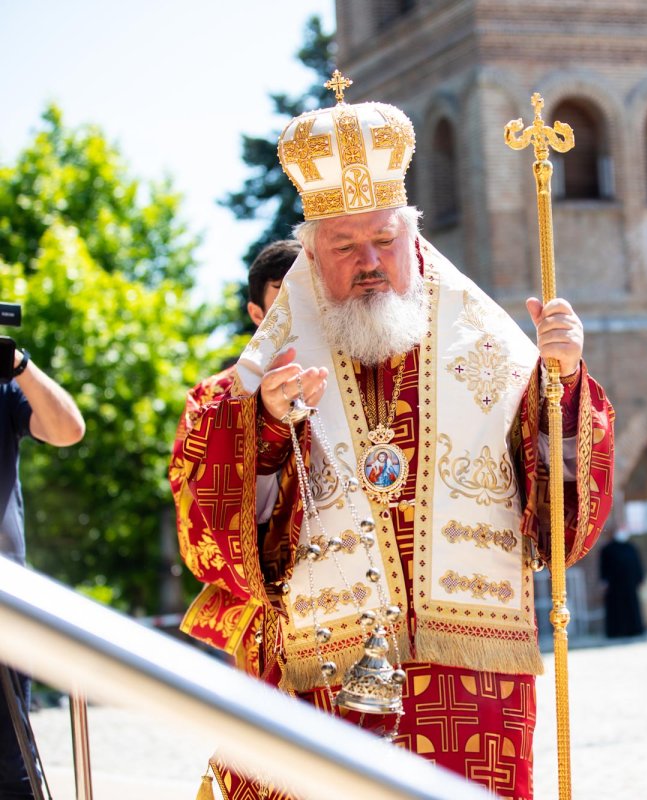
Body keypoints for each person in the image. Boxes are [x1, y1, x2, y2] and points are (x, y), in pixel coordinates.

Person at [171, 80, 615, 800]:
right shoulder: (254, 385)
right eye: (344, 246)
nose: (369, 261)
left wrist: (560, 385)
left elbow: (562, 529)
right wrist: (266, 434)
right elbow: (217, 546)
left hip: (473, 682)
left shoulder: (495, 356)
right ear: (311, 260)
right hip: (327, 679)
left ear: (416, 240)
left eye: (385, 240)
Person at [168, 239, 299, 670]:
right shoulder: (211, 398)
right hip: (273, 611)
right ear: (257, 315)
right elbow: (198, 509)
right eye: (285, 296)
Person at [0, 343, 85, 799]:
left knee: (11, 771)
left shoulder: (4, 388)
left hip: (4, 607)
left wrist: (20, 366)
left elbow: (69, 430)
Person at [599, 528, 646, 638]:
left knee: (631, 607)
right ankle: (617, 631)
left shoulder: (631, 548)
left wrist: (641, 579)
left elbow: (638, 565)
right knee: (616, 608)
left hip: (630, 584)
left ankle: (634, 629)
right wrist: (604, 581)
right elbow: (603, 567)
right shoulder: (608, 549)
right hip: (614, 585)